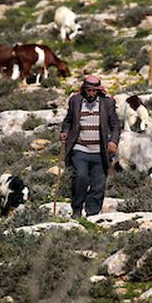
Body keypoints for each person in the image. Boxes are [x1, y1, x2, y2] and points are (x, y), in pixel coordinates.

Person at [60, 75, 121, 218]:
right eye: (88, 90)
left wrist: (113, 141)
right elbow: (68, 121)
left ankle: (92, 213)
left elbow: (115, 125)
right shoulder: (75, 100)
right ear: (84, 89)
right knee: (80, 177)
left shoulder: (107, 102)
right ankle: (76, 210)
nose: (91, 94)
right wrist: (64, 132)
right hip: (80, 148)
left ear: (98, 90)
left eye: (94, 91)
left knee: (98, 184)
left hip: (100, 151)